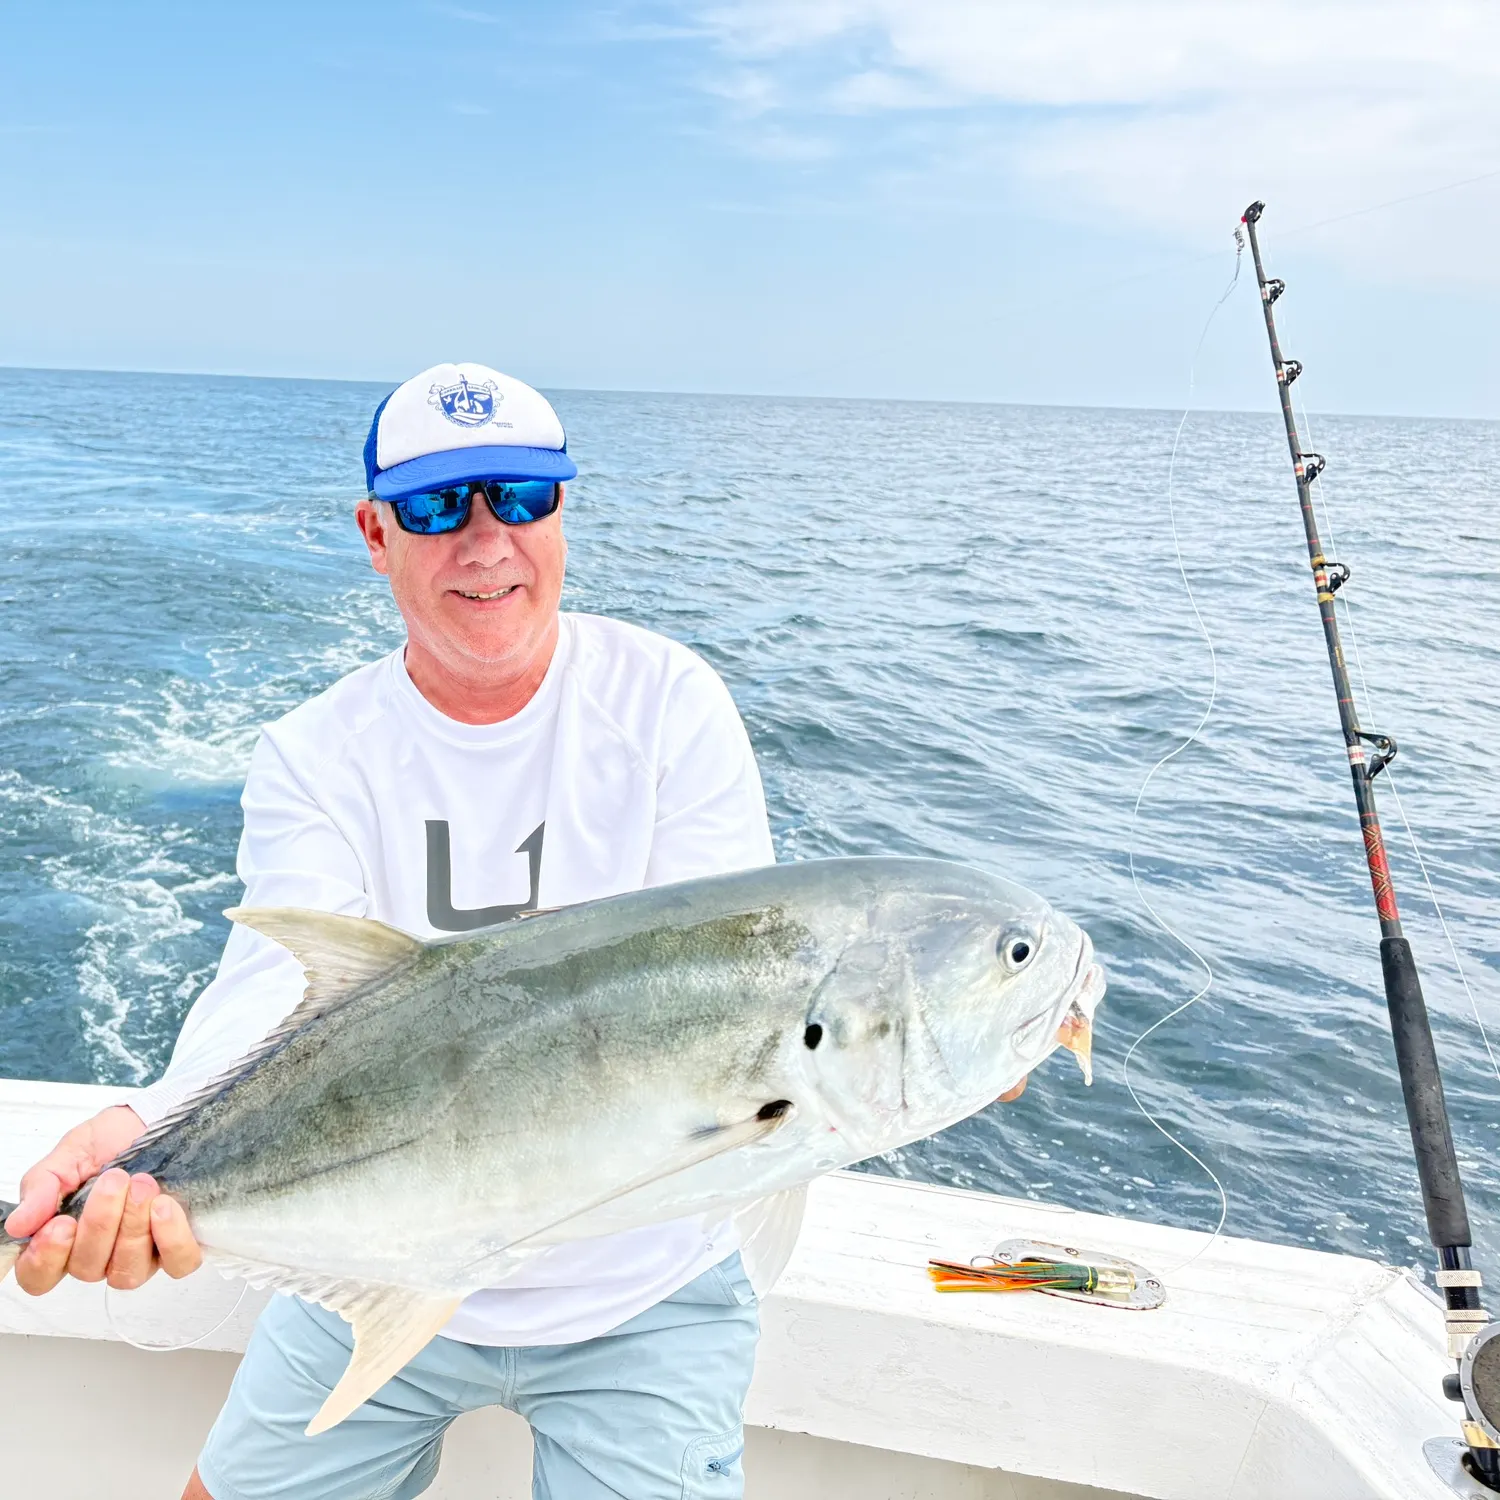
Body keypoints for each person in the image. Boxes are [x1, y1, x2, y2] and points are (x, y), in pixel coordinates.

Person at [4, 363, 777, 1500]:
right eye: (433, 507)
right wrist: (153, 1133)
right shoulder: (316, 754)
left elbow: (734, 1003)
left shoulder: (671, 704)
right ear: (375, 533)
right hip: (369, 1257)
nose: (485, 542)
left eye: (519, 498)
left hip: (646, 1288)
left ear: (562, 512)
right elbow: (274, 986)